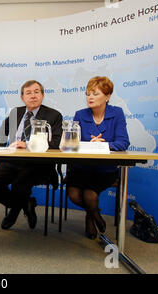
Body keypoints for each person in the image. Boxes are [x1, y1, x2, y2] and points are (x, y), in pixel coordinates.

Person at [0, 80, 62, 230]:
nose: (33, 96)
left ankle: (13, 212)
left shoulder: (54, 115)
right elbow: (2, 132)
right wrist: (1, 152)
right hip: (12, 160)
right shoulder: (16, 112)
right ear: (22, 97)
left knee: (20, 183)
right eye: (28, 93)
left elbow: (57, 143)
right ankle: (26, 204)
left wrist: (28, 145)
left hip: (38, 164)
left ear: (42, 95)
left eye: (36, 92)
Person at [66, 76, 130, 239]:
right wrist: (87, 145)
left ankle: (90, 218)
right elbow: (73, 142)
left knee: (89, 194)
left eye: (95, 93)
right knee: (73, 194)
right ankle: (95, 213)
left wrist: (102, 145)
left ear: (107, 96)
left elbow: (123, 142)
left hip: (105, 169)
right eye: (88, 94)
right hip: (81, 168)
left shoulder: (117, 113)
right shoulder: (80, 114)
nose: (90, 97)